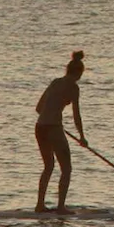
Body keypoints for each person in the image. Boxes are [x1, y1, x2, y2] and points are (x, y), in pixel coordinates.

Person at [34, 51, 88, 213]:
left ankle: (40, 205)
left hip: (40, 127)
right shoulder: (73, 87)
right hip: (53, 128)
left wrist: (52, 118)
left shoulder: (55, 82)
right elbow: (76, 115)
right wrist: (82, 137)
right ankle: (60, 207)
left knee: (48, 166)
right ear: (79, 73)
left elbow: (38, 109)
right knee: (66, 169)